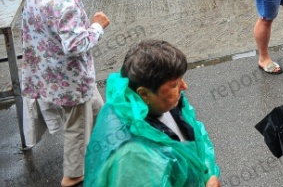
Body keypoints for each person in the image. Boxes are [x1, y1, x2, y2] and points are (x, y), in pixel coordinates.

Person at [21, 0, 110, 187]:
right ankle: (73, 175)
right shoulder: (68, 3)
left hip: (45, 67)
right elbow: (76, 45)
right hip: (70, 78)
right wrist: (97, 26)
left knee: (96, 107)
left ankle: (105, 142)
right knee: (77, 127)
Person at [84, 40, 220, 187]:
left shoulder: (164, 102)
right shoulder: (133, 158)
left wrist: (208, 174)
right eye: (174, 84)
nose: (184, 86)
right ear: (144, 94)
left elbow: (196, 136)